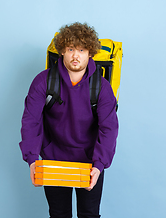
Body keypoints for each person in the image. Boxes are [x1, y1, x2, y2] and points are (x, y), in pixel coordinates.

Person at [20, 22, 119, 218]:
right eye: (71, 49)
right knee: (58, 214)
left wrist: (99, 166)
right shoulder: (43, 81)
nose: (75, 55)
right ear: (62, 51)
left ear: (90, 53)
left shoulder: (102, 87)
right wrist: (32, 160)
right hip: (54, 157)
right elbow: (30, 121)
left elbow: (108, 128)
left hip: (90, 162)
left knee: (89, 214)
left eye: (81, 49)